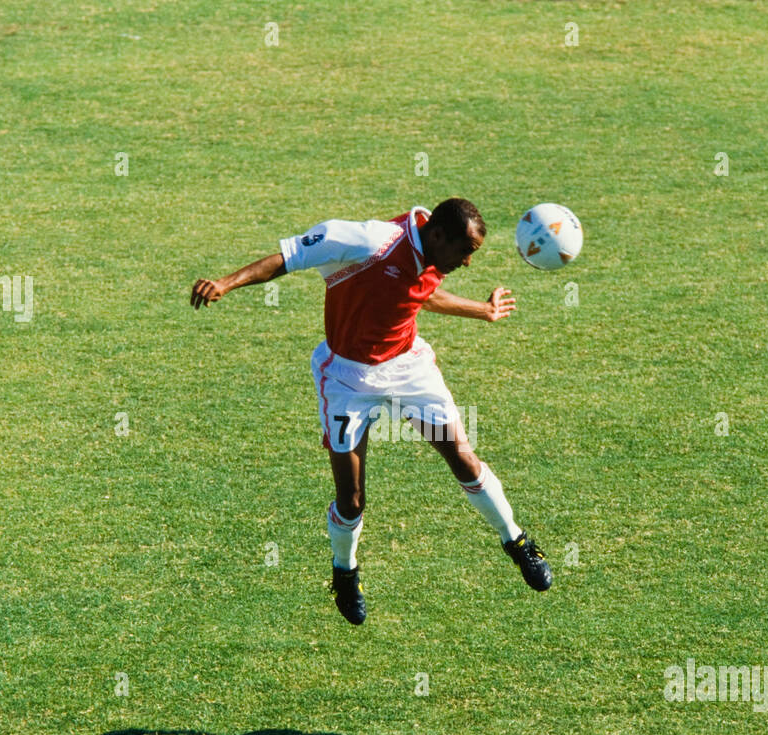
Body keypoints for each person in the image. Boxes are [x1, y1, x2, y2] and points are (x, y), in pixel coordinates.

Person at [190, 198, 550, 624]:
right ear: (437, 236)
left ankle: (517, 542)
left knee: (462, 457)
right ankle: (345, 572)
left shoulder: (436, 253)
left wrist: (482, 310)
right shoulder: (367, 242)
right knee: (352, 497)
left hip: (408, 366)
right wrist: (227, 283)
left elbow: (420, 295)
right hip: (347, 379)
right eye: (465, 252)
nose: (468, 264)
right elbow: (288, 259)